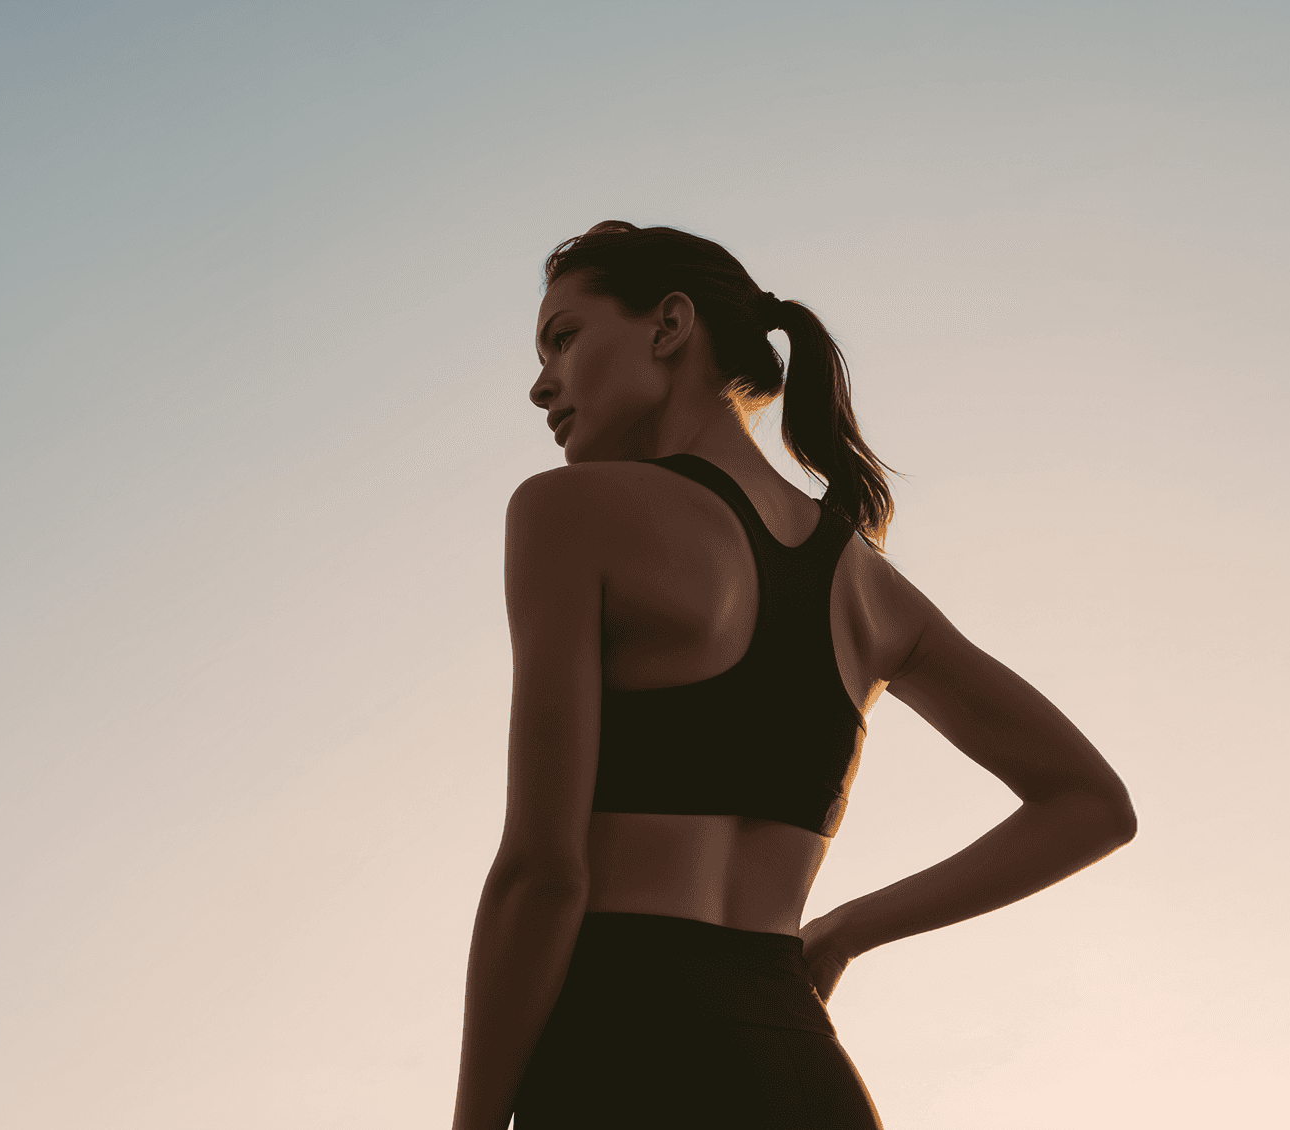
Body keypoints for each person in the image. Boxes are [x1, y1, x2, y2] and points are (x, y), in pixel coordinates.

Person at [450, 221, 1139, 1129]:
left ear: (669, 326)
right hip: (801, 1068)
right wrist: (845, 929)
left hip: (622, 1055)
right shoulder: (871, 590)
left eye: (564, 337)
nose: (540, 383)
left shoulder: (567, 513)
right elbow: (1090, 805)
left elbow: (543, 875)